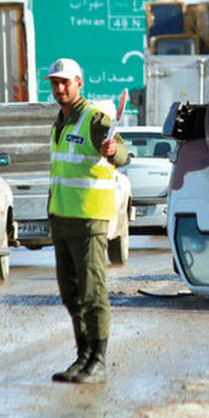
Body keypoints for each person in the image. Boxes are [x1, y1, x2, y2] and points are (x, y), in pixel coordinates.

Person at [45, 57, 128, 384]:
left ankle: (98, 359)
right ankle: (83, 357)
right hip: (63, 218)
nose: (60, 88)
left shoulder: (94, 119)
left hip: (89, 219)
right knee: (70, 293)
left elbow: (121, 153)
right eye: (55, 82)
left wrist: (112, 152)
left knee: (93, 291)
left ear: (79, 83)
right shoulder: (60, 122)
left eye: (65, 82)